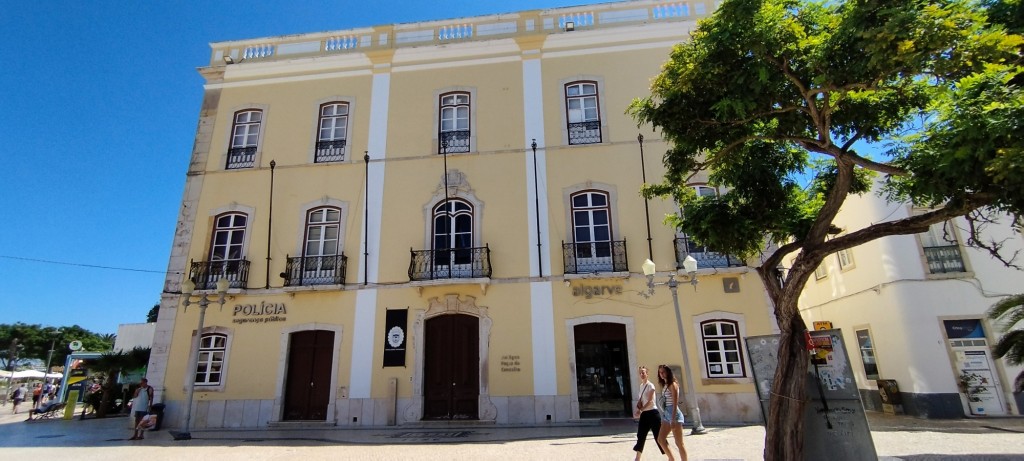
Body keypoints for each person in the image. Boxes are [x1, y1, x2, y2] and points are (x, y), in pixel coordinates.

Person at [632, 366, 664, 461]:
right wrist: (639, 409)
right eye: (640, 373)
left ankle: (669, 456)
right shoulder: (641, 386)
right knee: (640, 435)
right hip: (644, 414)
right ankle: (637, 458)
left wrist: (640, 410)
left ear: (647, 374)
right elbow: (642, 399)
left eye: (643, 373)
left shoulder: (651, 386)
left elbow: (650, 401)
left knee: (659, 437)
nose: (642, 374)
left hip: (653, 414)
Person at [657, 365, 689, 461]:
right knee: (660, 439)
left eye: (663, 372)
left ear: (668, 372)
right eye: (660, 372)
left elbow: (675, 403)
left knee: (679, 443)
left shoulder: (672, 384)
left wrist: (673, 418)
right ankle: (671, 459)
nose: (661, 374)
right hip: (667, 413)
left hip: (674, 415)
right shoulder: (666, 384)